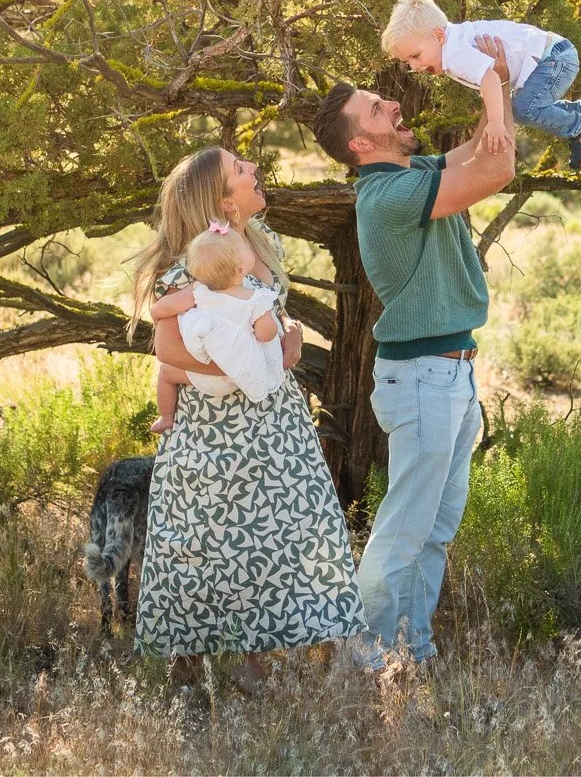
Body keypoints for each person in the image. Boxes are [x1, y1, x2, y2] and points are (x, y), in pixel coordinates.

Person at [311, 43, 516, 664]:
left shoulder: (413, 172)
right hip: (425, 379)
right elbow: (495, 171)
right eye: (377, 109)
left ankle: (413, 647)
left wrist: (500, 80)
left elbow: (484, 146)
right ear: (360, 145)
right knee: (404, 529)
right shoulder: (388, 197)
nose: (394, 103)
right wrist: (487, 84)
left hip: (450, 372)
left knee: (434, 529)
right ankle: (363, 656)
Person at [130, 148, 365, 681]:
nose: (254, 170)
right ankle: (193, 666)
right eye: (241, 170)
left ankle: (256, 656)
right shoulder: (187, 268)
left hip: (274, 420)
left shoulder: (265, 242)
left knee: (276, 534)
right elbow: (168, 351)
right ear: (221, 202)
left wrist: (286, 347)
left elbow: (267, 315)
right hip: (213, 426)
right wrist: (246, 365)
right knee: (207, 540)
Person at [380, 0, 581, 168]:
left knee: (524, 110)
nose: (414, 66)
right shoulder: (454, 43)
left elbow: (490, 77)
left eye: (415, 55)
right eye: (407, 61)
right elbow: (491, 80)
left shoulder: (456, 52)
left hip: (553, 58)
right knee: (524, 107)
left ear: (439, 36)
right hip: (554, 53)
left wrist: (495, 123)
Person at [147, 222, 286, 434]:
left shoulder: (198, 291)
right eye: (245, 248)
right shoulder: (255, 299)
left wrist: (157, 313)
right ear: (240, 269)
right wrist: (270, 326)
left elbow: (163, 308)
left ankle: (166, 417)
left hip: (204, 376)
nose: (249, 248)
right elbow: (265, 335)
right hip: (239, 377)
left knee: (166, 374)